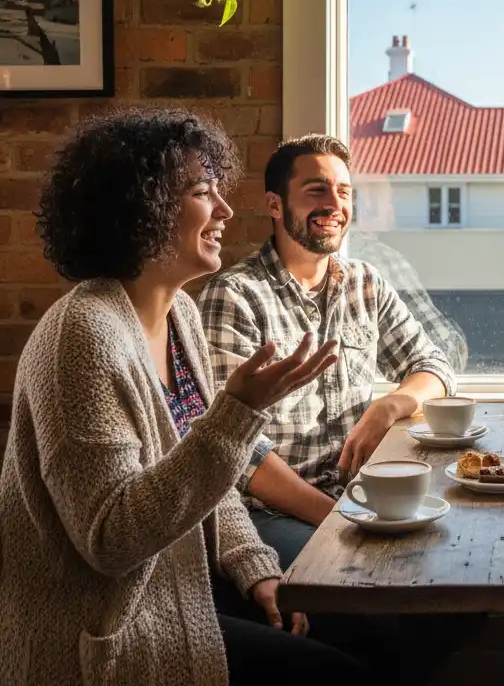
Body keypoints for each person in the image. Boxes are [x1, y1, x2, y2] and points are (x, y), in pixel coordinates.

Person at [0, 108, 356, 685]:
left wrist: (257, 568)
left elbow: (205, 480)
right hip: (106, 633)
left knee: (365, 628)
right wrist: (236, 416)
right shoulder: (82, 337)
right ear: (142, 208)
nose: (224, 211)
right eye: (202, 192)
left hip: (179, 591)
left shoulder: (179, 315)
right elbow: (111, 539)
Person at [198, 133, 457, 566]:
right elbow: (239, 452)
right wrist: (339, 516)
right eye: (316, 190)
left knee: (448, 565)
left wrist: (391, 405)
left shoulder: (364, 284)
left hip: (357, 494)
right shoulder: (234, 296)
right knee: (384, 583)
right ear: (275, 205)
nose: (335, 205)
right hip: (266, 514)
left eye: (343, 192)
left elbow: (434, 365)